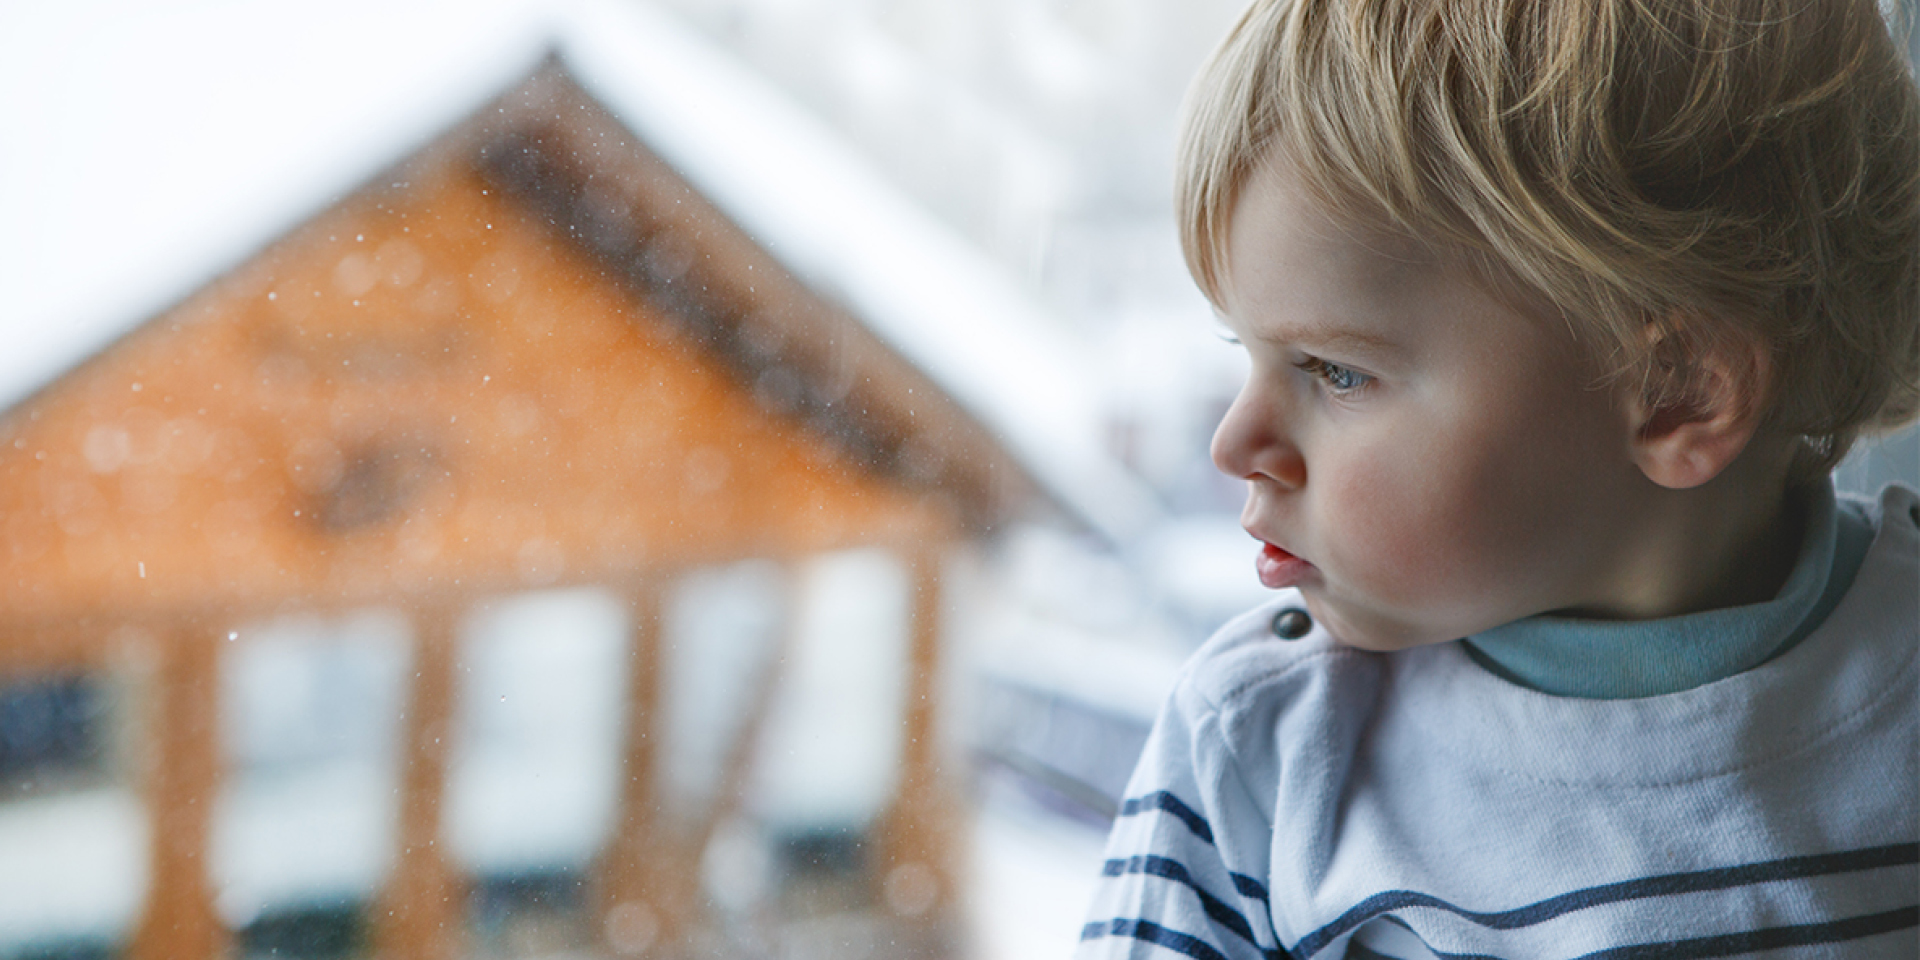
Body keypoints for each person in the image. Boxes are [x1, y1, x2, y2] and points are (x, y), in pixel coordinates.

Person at [1077, 0, 1919, 956]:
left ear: (1675, 392)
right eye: (1247, 352)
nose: (1235, 443)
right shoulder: (1261, 756)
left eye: (1337, 372)